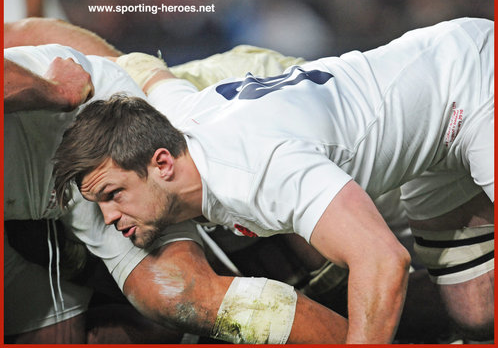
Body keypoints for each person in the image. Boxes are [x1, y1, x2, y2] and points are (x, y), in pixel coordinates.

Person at [54, 17, 494, 343]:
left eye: (113, 195)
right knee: (478, 315)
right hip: (433, 146)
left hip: (473, 79)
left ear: (162, 164)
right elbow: (152, 73)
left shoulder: (255, 170)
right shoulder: (174, 124)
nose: (109, 217)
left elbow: (381, 261)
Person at [4, 19, 348, 344]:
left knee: (186, 289)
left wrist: (58, 91)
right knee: (171, 301)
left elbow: (24, 31)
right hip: (48, 194)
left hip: (92, 123)